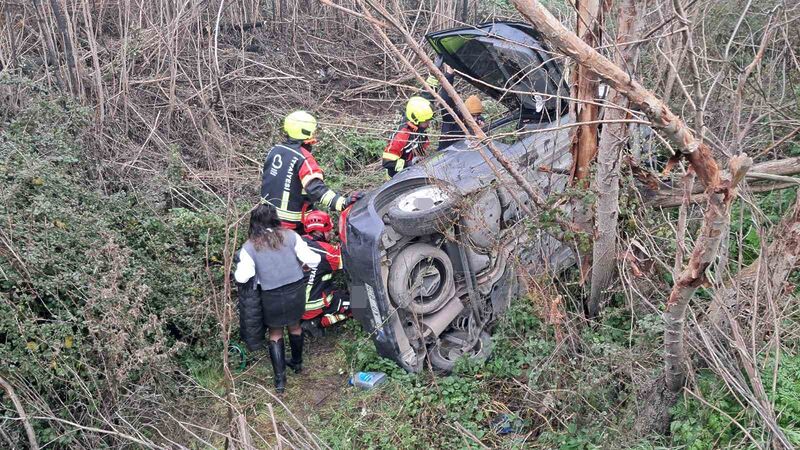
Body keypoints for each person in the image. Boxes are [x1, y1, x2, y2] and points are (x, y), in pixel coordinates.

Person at [234, 203, 321, 393]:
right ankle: (297, 363)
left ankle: (280, 381)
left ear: (254, 222)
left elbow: (242, 277)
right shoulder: (291, 236)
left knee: (275, 333)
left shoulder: (249, 247)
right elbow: (314, 259)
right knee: (295, 326)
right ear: (275, 218)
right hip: (296, 290)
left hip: (271, 296)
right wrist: (303, 266)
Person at [261, 110, 361, 233]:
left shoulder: (274, 151)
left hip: (265, 218)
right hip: (291, 226)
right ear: (306, 132)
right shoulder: (304, 158)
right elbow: (315, 189)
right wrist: (342, 203)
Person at [299, 211, 351, 336]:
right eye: (328, 231)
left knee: (341, 292)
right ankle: (317, 322)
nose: (331, 234)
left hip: (295, 304)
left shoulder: (300, 241)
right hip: (312, 305)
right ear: (319, 231)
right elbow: (347, 258)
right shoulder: (324, 252)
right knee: (361, 301)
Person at [424, 70, 486, 151]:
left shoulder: (478, 121)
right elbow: (446, 101)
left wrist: (480, 129)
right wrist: (449, 76)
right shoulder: (453, 117)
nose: (475, 119)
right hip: (446, 154)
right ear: (465, 112)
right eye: (472, 115)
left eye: (477, 115)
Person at [381, 96, 434, 179]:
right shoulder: (402, 136)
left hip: (415, 170)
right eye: (426, 121)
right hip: (397, 176)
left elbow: (423, 147)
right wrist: (409, 164)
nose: (428, 124)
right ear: (415, 120)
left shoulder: (419, 130)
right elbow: (387, 162)